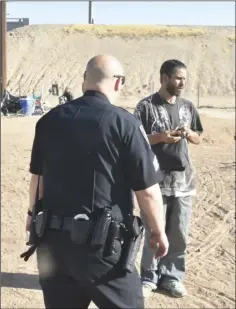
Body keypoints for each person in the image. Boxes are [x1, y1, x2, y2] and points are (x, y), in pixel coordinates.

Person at [24, 55, 169, 309]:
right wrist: (158, 232)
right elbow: (147, 191)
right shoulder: (124, 124)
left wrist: (30, 215)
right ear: (118, 82)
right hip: (101, 249)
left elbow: (38, 179)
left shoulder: (48, 121)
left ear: (84, 81)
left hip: (53, 244)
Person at [134, 59, 203, 298]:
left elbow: (198, 137)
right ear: (163, 77)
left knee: (179, 233)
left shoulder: (188, 106)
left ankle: (172, 277)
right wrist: (161, 137)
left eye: (184, 78)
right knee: (155, 230)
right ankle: (148, 277)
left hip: (183, 181)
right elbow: (136, 139)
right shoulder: (145, 106)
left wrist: (188, 133)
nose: (182, 83)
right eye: (177, 78)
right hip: (154, 181)